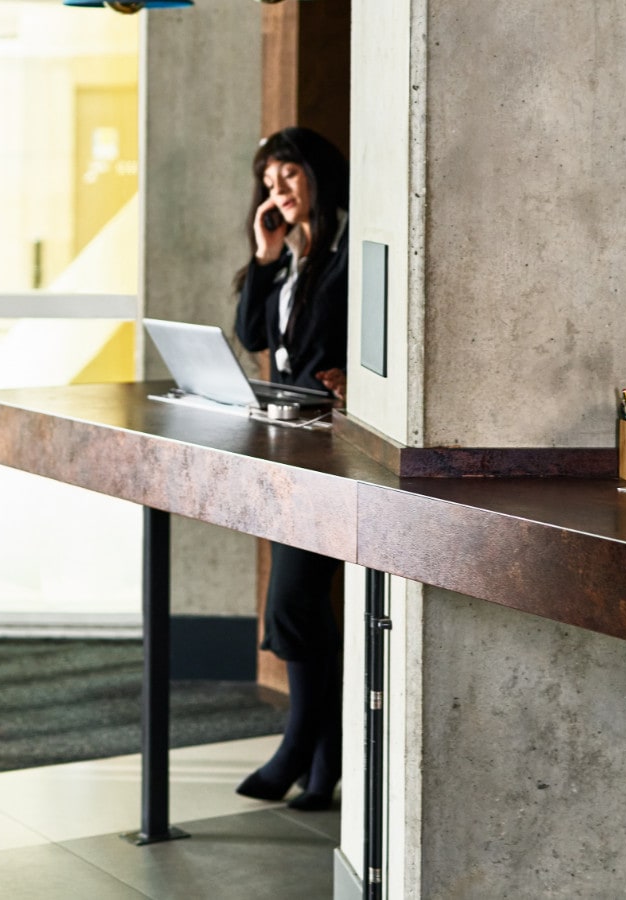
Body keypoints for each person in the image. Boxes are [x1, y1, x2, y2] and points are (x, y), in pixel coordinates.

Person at [232, 126, 349, 812]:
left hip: (329, 452)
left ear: (318, 179)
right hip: (289, 445)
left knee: (294, 603)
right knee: (299, 608)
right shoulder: (294, 258)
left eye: (290, 179)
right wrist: (265, 254)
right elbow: (253, 338)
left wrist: (349, 379)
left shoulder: (342, 258)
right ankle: (323, 760)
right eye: (270, 182)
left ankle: (299, 745)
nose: (278, 192)